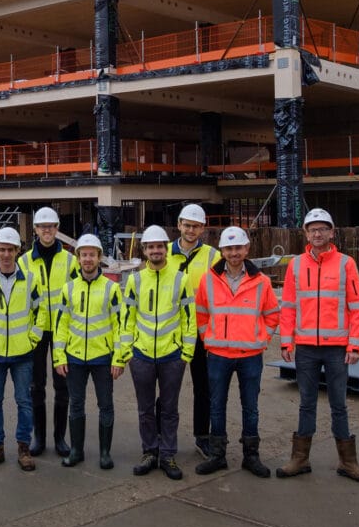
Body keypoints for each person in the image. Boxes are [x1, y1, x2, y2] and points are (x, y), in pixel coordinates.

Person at [278, 208, 359, 484]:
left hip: (337, 348)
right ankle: (300, 458)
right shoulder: (296, 265)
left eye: (322, 229)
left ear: (332, 232)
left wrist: (354, 345)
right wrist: (287, 340)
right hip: (306, 347)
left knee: (338, 405)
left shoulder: (346, 264)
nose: (317, 233)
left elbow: (356, 308)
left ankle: (348, 461)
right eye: (312, 229)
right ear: (306, 233)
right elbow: (288, 307)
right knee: (306, 404)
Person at [194, 225, 280, 478]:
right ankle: (218, 455)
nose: (234, 253)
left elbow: (272, 315)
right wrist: (208, 338)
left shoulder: (261, 282)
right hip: (218, 355)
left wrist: (261, 339)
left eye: (238, 248)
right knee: (217, 406)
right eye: (229, 248)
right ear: (222, 250)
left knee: (250, 407)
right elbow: (201, 313)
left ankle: (251, 456)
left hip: (250, 356)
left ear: (247, 249)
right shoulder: (208, 279)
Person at [117, 224, 195, 480]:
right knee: (145, 409)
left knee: (170, 409)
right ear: (144, 250)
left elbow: (188, 320)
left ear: (166, 249)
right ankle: (150, 452)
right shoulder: (135, 281)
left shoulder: (180, 279)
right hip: (141, 356)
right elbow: (126, 320)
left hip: (172, 356)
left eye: (159, 246)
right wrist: (127, 353)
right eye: (151, 247)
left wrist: (186, 353)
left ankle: (168, 454)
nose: (155, 250)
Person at [0, 226, 45, 470]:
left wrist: (33, 339)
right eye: (2, 249)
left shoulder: (30, 281)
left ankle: (24, 448)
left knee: (24, 401)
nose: (5, 254)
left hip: (22, 353)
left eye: (10, 250)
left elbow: (41, 312)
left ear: (17, 251)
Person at [52, 234, 122, 469]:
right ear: (78, 258)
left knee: (106, 405)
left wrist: (119, 358)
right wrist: (59, 356)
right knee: (77, 404)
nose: (88, 259)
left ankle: (105, 453)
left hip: (103, 357)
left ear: (99, 257)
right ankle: (77, 451)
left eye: (92, 254)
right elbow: (60, 325)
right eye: (84, 255)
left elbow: (120, 326)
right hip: (74, 358)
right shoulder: (68, 289)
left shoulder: (112, 289)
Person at [18, 206, 77, 457]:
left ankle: (59, 438)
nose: (47, 231)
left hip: (62, 331)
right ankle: (39, 438)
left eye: (51, 226)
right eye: (42, 227)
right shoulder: (24, 261)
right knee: (36, 386)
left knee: (62, 386)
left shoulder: (70, 261)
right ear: (35, 230)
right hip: (37, 331)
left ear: (57, 229)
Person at [167, 202, 215, 459]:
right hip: (170, 331)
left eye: (196, 226)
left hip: (200, 332)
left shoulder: (212, 256)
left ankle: (202, 436)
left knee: (202, 387)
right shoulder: (163, 253)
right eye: (187, 225)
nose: (191, 230)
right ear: (179, 225)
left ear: (202, 229)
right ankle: (164, 438)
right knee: (168, 388)